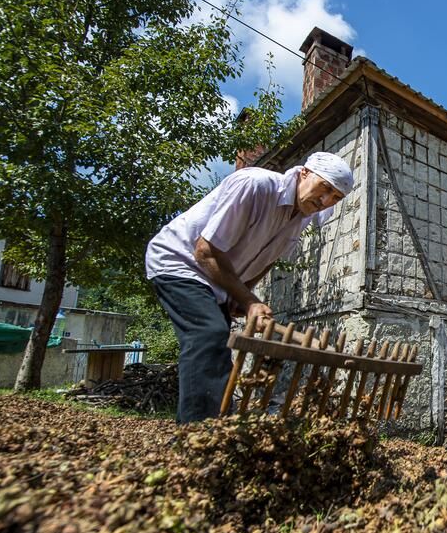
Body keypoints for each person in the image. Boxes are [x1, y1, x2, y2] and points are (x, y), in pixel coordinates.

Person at [145, 152, 354, 423]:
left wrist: (243, 294)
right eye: (325, 187)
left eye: (336, 197)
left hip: (216, 280)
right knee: (208, 335)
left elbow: (267, 258)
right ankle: (195, 434)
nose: (325, 201)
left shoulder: (301, 218)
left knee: (218, 345)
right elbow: (205, 251)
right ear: (304, 173)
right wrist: (250, 299)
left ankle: (219, 422)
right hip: (180, 261)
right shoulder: (256, 186)